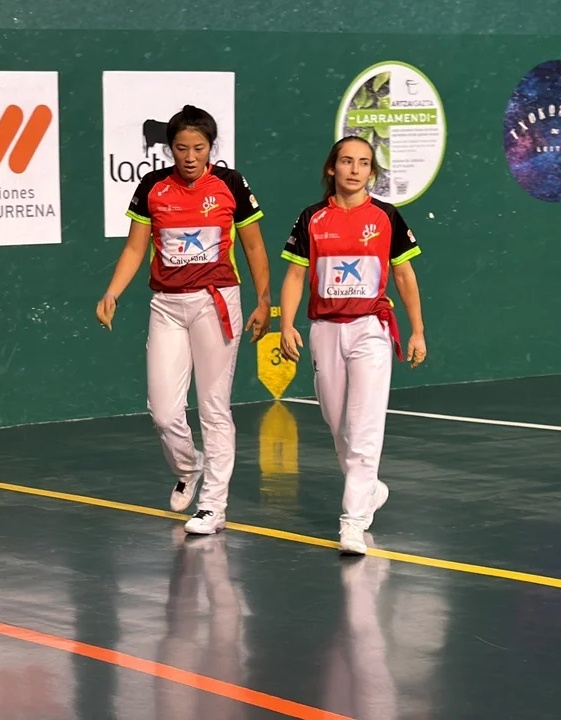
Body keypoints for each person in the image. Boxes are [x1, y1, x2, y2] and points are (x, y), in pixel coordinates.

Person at [95, 105, 272, 535]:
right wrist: (113, 291)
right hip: (167, 306)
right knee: (163, 412)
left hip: (216, 302)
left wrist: (264, 300)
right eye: (181, 148)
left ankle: (213, 507)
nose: (190, 157)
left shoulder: (230, 184)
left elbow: (253, 246)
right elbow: (136, 248)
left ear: (211, 147)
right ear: (169, 148)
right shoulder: (152, 186)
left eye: (199, 148)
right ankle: (189, 467)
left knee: (213, 407)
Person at [277, 135, 426, 555]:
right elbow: (294, 275)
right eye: (347, 161)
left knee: (364, 429)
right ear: (332, 167)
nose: (355, 169)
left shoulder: (386, 217)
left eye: (363, 163)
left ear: (371, 172)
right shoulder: (311, 218)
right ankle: (370, 490)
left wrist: (416, 331)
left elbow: (404, 276)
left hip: (370, 329)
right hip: (325, 329)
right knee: (337, 424)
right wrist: (285, 324)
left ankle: (353, 522)